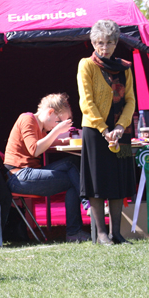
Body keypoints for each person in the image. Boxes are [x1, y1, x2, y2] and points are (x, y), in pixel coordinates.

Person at [77, 19, 136, 245]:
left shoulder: (125, 67)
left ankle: (117, 234)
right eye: (100, 42)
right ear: (93, 43)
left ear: (116, 43)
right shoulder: (86, 65)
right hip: (95, 132)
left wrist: (120, 127)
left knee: (120, 179)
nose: (104, 47)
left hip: (122, 132)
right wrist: (104, 130)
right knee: (97, 181)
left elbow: (130, 100)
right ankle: (101, 234)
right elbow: (87, 101)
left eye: (109, 42)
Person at [4, 93, 90, 242]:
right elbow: (35, 149)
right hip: (18, 177)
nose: (56, 127)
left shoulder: (40, 127)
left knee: (72, 165)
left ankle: (78, 224)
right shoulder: (27, 119)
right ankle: (84, 211)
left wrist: (66, 140)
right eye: (58, 122)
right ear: (50, 112)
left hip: (27, 174)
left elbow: (45, 143)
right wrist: (57, 131)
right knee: (72, 174)